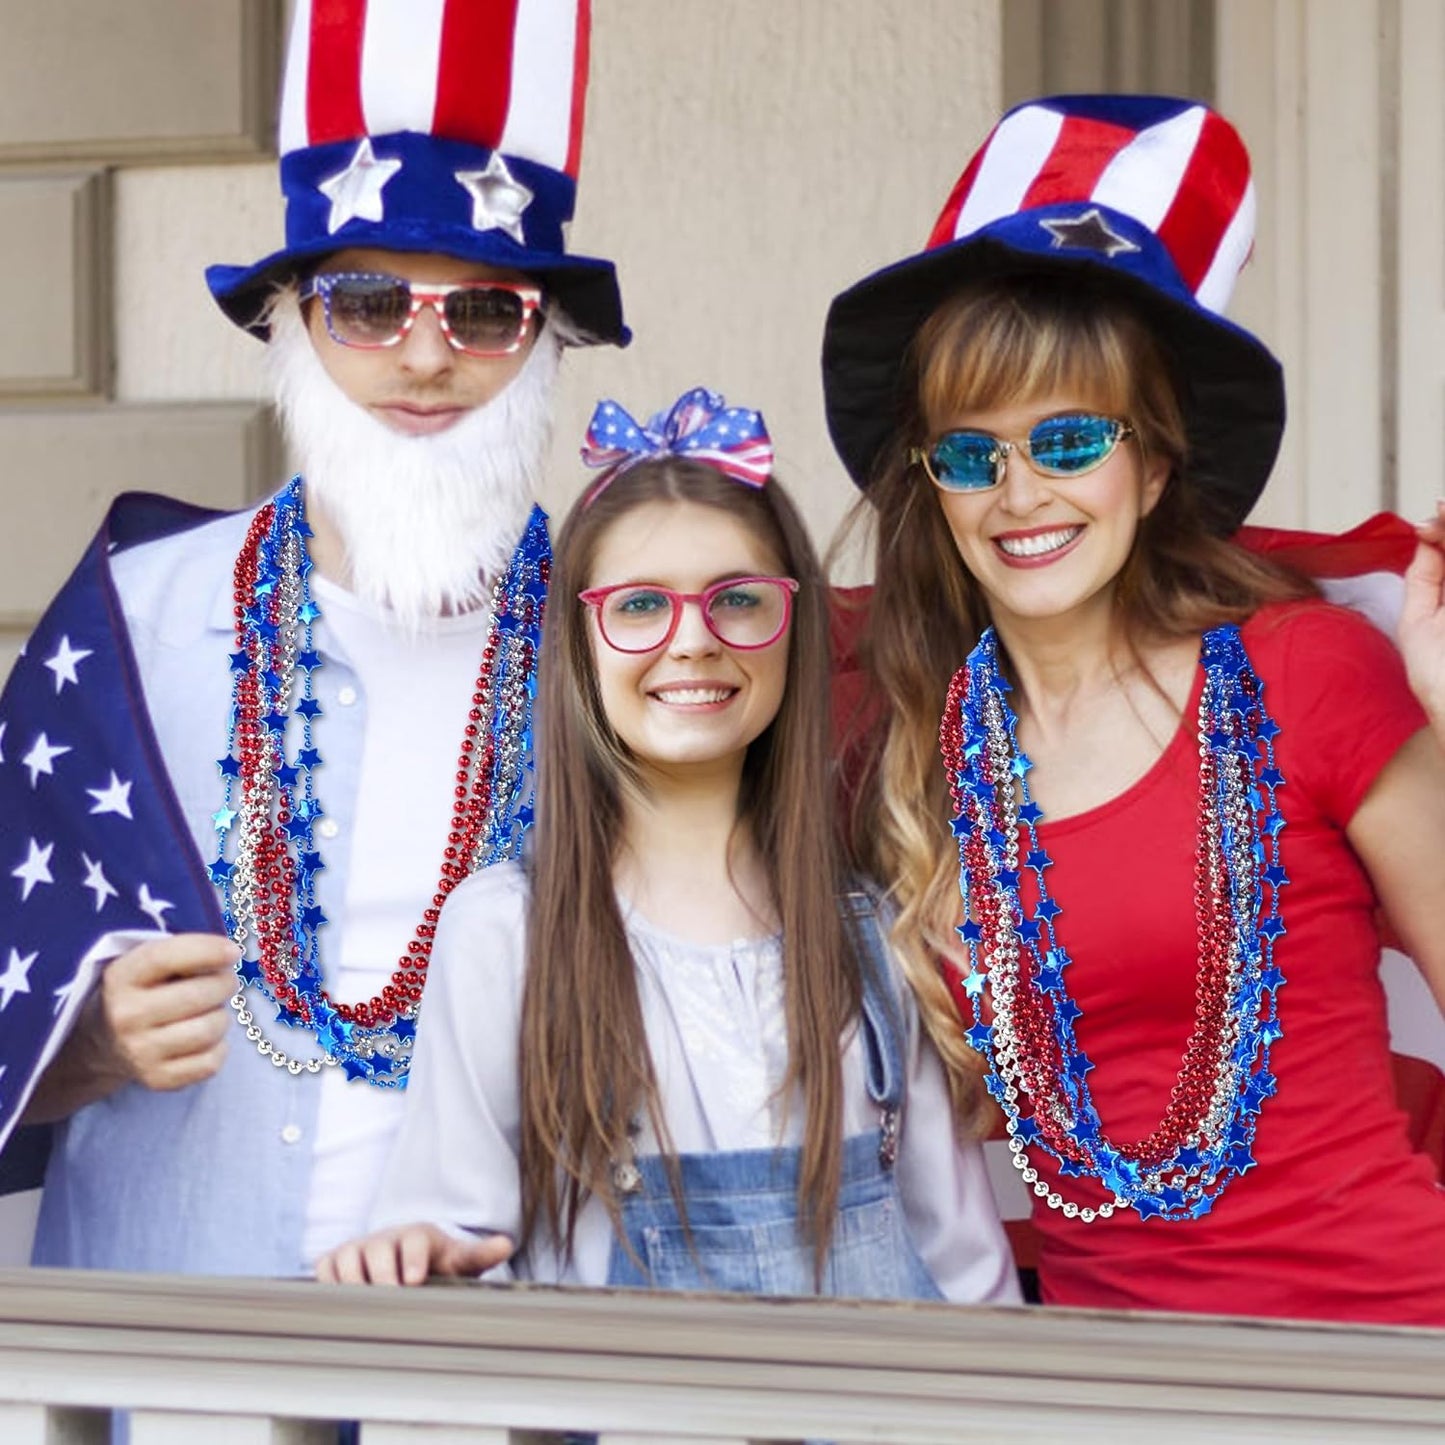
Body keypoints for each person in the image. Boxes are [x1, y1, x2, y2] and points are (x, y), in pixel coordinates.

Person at [0, 0, 628, 1276]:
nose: (424, 356)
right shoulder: (131, 619)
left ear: (545, 342)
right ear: (286, 320)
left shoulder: (631, 636)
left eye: (486, 314)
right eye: (364, 304)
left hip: (494, 1365)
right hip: (180, 1358)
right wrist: (81, 1042)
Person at [819, 94, 1445, 1325]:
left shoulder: (1306, 670)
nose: (1016, 492)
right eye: (968, 451)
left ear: (1154, 464)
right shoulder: (917, 755)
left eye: (1066, 439)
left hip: (1382, 1351)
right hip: (1110, 1383)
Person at [316, 390, 1020, 1304]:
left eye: (737, 599)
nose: (692, 641)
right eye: (641, 605)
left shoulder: (873, 935)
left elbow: (965, 1269)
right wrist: (418, 1248)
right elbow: (456, 1218)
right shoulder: (506, 933)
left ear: (794, 627)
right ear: (577, 643)